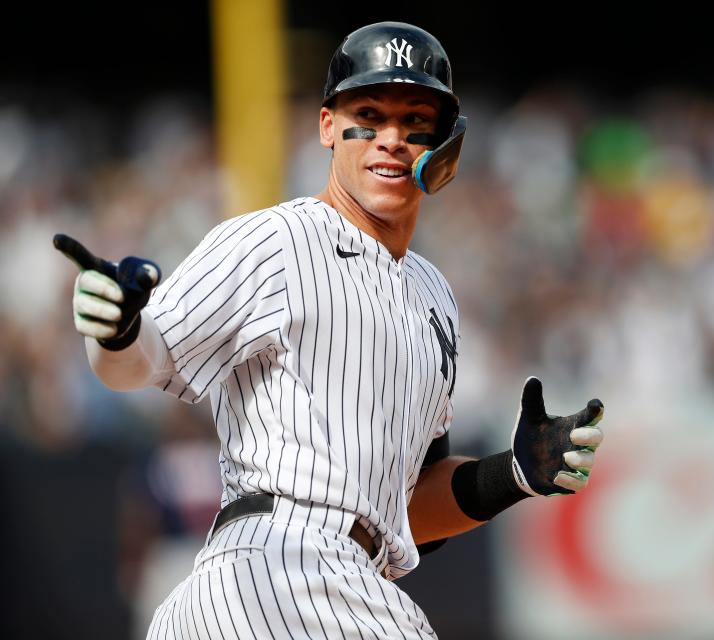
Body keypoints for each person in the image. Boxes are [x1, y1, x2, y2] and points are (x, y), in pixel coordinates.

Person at [58, 21, 604, 639]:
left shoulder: (435, 296)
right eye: (367, 116)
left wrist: (514, 475)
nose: (390, 140)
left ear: (444, 146)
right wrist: (116, 331)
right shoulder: (277, 239)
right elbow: (149, 356)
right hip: (273, 570)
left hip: (350, 580)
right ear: (326, 127)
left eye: (414, 121)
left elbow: (409, 511)